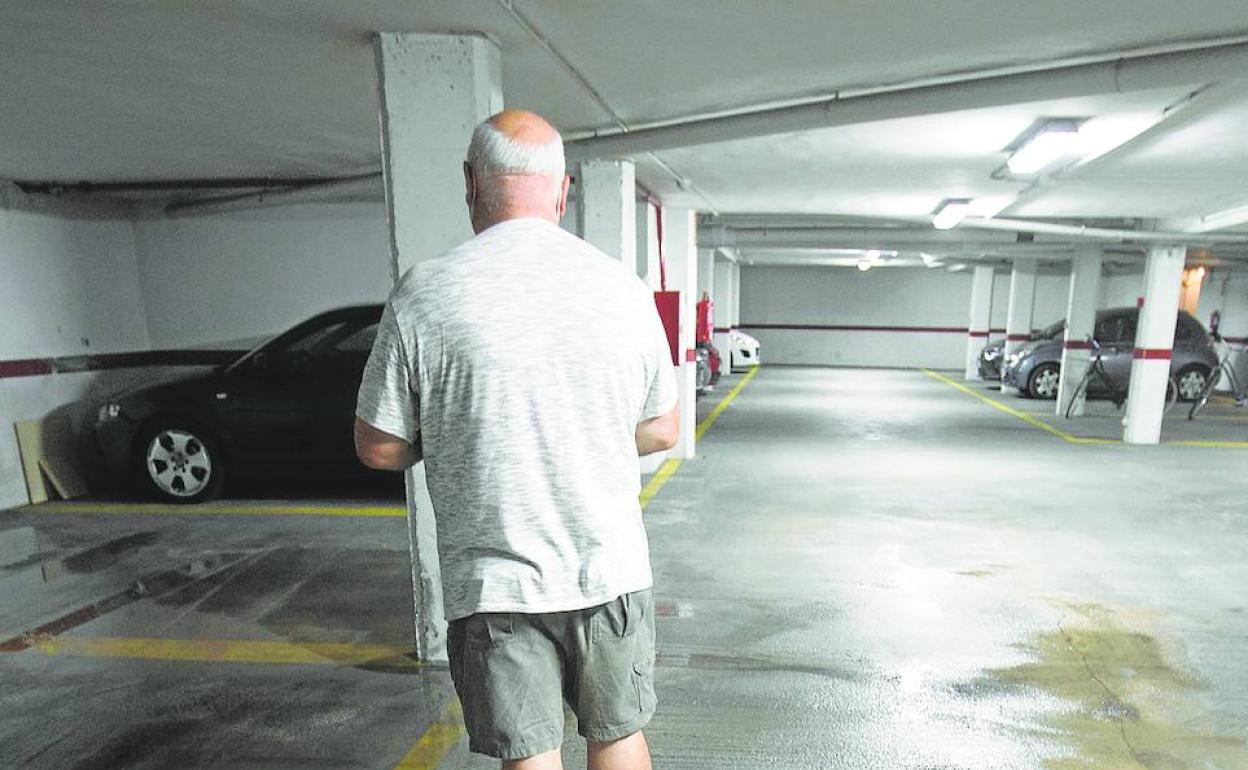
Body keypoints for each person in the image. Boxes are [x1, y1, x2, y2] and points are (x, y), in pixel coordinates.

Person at [353, 109, 679, 770]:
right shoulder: (622, 288)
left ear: (471, 183)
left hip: (495, 585)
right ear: (562, 192)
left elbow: (378, 446)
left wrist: (457, 433)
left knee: (528, 755)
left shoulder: (427, 292)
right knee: (616, 734)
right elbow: (663, 427)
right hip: (607, 569)